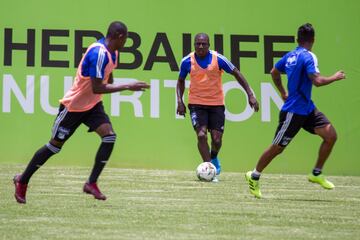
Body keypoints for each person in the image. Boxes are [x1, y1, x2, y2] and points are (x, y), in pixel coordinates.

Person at [13, 21, 150, 204]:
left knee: (109, 137)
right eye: (125, 38)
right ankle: (22, 180)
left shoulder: (114, 53)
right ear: (120, 37)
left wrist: (114, 84)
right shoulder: (98, 53)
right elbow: (97, 87)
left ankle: (91, 183)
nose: (126, 42)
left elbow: (107, 75)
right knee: (54, 146)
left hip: (92, 106)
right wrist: (127, 86)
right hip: (74, 106)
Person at [245, 23, 346, 198]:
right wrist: (335, 77)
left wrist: (283, 92)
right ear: (313, 40)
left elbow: (274, 72)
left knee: (330, 136)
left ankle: (316, 173)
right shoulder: (309, 57)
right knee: (277, 148)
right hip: (293, 111)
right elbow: (318, 81)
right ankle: (254, 175)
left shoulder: (290, 55)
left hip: (307, 109)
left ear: (297, 40)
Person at [176, 33, 259, 180]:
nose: (200, 46)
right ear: (194, 45)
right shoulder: (187, 61)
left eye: (204, 44)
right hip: (196, 103)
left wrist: (250, 94)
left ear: (209, 45)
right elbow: (180, 81)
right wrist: (180, 102)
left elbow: (236, 73)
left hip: (216, 104)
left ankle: (213, 158)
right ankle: (210, 170)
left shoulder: (218, 59)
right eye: (197, 44)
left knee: (216, 140)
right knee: (201, 135)